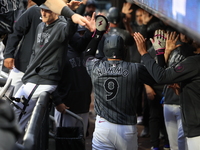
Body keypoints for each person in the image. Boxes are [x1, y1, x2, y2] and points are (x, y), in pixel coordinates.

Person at [84, 15, 155, 150]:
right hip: (127, 128)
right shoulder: (135, 68)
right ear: (124, 50)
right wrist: (147, 53)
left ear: (105, 51)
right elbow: (157, 77)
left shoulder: (95, 66)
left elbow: (88, 55)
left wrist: (98, 33)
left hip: (103, 126)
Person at [13, 4, 77, 142]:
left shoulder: (61, 26)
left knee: (16, 115)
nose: (43, 13)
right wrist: (58, 100)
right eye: (42, 10)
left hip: (42, 81)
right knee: (19, 116)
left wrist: (71, 13)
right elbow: (35, 54)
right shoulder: (40, 26)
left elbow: (70, 30)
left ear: (57, 12)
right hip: (34, 79)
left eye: (48, 10)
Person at [134, 30, 200, 150]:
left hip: (196, 129)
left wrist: (144, 52)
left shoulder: (195, 61)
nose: (194, 39)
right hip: (189, 119)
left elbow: (161, 76)